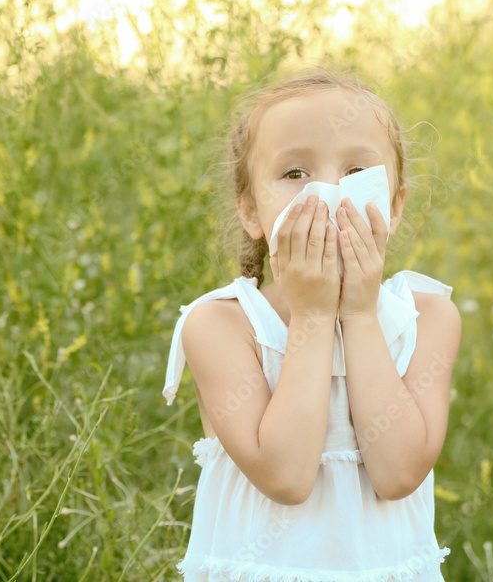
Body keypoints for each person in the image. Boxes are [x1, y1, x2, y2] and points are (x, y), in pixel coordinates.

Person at [162, 65, 463, 580]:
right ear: (252, 211)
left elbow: (398, 473)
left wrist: (360, 315)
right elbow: (287, 476)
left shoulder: (427, 317)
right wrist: (315, 314)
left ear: (393, 205)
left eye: (354, 174)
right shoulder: (221, 326)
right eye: (295, 174)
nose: (327, 195)